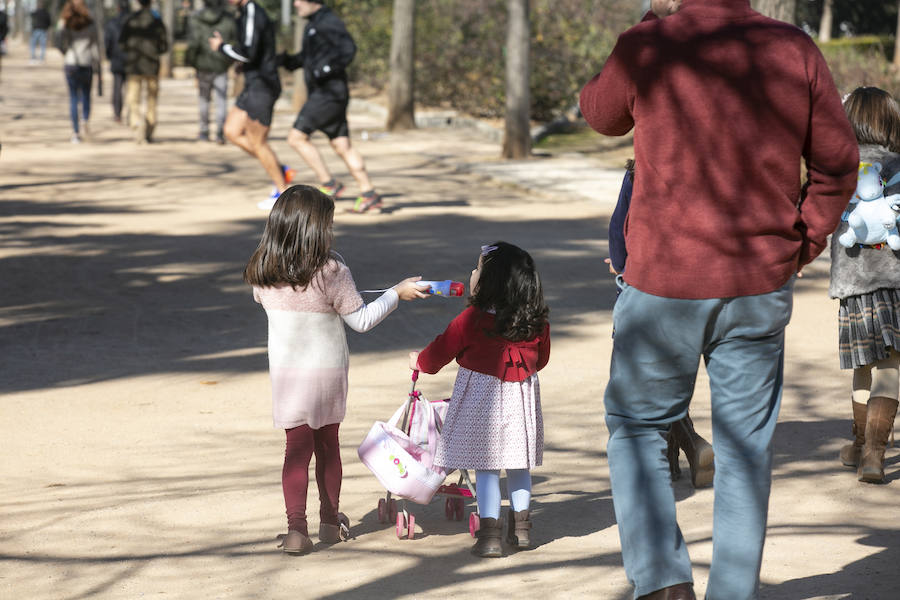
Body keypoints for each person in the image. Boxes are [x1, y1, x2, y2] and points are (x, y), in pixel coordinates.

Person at [579, 0, 859, 597]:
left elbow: (600, 114)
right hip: (759, 284)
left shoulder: (650, 43)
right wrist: (797, 246)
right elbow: (838, 166)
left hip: (663, 283)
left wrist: (651, 23)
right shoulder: (796, 49)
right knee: (744, 450)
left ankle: (663, 585)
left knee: (636, 429)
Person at [244, 185, 428, 555]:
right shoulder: (331, 270)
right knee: (328, 447)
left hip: (287, 376)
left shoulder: (262, 270)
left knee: (295, 451)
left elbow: (266, 300)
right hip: (326, 376)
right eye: (327, 225)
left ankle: (297, 530)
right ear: (313, 229)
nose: (331, 233)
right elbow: (360, 321)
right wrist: (396, 293)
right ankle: (329, 522)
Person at [409, 242, 550, 558]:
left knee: (486, 469)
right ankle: (522, 528)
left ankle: (489, 535)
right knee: (518, 464)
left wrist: (419, 361)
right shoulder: (535, 322)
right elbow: (541, 359)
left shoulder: (471, 319)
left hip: (480, 404)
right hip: (520, 401)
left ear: (490, 282)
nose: (471, 273)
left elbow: (439, 353)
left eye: (477, 269)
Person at [606, 158, 714, 489]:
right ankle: (679, 456)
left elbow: (618, 224)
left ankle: (689, 448)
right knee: (672, 377)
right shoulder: (707, 161)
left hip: (645, 286)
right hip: (700, 289)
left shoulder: (641, 167)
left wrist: (621, 263)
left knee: (643, 388)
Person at [830, 86, 900, 484]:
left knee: (863, 364)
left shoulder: (839, 167)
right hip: (896, 282)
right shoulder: (898, 164)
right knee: (891, 364)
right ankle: (873, 453)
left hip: (855, 285)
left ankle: (859, 443)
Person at [278, 0, 383, 214]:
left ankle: (330, 183)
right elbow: (306, 58)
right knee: (342, 145)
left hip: (328, 94)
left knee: (296, 138)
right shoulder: (313, 24)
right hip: (328, 94)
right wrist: (284, 60)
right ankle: (369, 192)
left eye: (299, 0)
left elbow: (349, 49)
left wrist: (324, 70)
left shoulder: (328, 21)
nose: (295, 4)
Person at [209, 0, 292, 209]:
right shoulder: (243, 12)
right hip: (252, 84)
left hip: (263, 86)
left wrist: (222, 48)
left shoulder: (253, 11)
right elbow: (252, 53)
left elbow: (248, 51)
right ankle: (279, 169)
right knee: (231, 130)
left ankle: (283, 194)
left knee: (258, 141)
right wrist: (241, 66)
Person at [185, 0, 236, 143]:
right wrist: (228, 62)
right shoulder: (228, 19)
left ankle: (203, 130)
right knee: (221, 100)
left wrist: (193, 62)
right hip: (221, 64)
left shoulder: (196, 19)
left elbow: (193, 43)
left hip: (203, 65)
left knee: (204, 99)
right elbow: (234, 41)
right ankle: (220, 132)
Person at [119, 0, 168, 143]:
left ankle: (136, 122)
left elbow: (122, 42)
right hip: (152, 65)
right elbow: (164, 45)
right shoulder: (157, 21)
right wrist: (155, 51)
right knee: (152, 98)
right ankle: (150, 126)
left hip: (134, 65)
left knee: (133, 98)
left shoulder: (131, 20)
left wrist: (130, 50)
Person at [58, 0, 101, 144]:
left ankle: (75, 132)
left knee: (73, 98)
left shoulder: (66, 24)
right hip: (86, 63)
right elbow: (95, 46)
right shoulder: (91, 24)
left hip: (71, 63)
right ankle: (85, 118)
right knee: (86, 95)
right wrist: (97, 64)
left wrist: (66, 53)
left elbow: (61, 42)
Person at [104, 0, 131, 124]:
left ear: (118, 8)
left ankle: (117, 114)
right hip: (131, 59)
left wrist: (109, 56)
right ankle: (131, 114)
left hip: (117, 58)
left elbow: (108, 42)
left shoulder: (112, 23)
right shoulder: (132, 22)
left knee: (117, 87)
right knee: (130, 88)